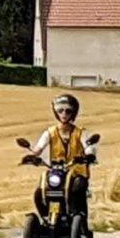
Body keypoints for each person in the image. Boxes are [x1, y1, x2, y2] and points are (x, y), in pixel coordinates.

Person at [27, 92, 95, 225]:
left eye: (68, 111)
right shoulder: (50, 132)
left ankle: (77, 217)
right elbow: (39, 148)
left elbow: (88, 146)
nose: (64, 114)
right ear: (56, 112)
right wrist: (32, 155)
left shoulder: (80, 132)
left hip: (77, 173)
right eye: (60, 111)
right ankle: (46, 217)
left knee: (77, 189)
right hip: (57, 172)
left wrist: (89, 154)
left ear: (73, 113)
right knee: (39, 192)